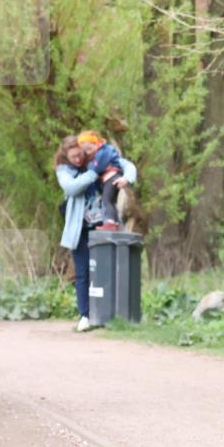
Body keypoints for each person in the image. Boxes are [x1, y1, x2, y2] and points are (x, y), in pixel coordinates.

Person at [55, 135, 137, 332]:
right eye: (73, 156)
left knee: (109, 270)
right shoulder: (65, 170)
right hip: (80, 229)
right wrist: (94, 173)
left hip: (104, 225)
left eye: (80, 154)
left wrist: (127, 179)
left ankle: (112, 314)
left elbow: (127, 165)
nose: (77, 159)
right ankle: (85, 315)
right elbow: (71, 188)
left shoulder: (97, 157)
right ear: (66, 156)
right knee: (82, 272)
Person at [77, 131, 124, 231]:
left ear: (95, 143)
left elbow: (96, 167)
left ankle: (110, 222)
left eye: (89, 149)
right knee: (110, 201)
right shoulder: (97, 152)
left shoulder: (103, 151)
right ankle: (115, 223)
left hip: (112, 176)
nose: (88, 152)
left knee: (106, 199)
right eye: (86, 152)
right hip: (110, 178)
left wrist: (88, 166)